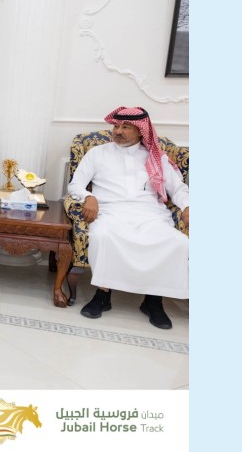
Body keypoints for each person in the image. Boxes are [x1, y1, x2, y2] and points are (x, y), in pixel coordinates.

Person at [68, 106, 189, 329]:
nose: (118, 131)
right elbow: (75, 185)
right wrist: (88, 197)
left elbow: (178, 188)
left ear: (141, 131)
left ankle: (153, 301)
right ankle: (103, 296)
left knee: (177, 242)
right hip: (110, 212)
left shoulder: (156, 158)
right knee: (102, 236)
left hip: (150, 215)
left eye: (126, 127)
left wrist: (188, 206)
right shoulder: (97, 153)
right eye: (116, 126)